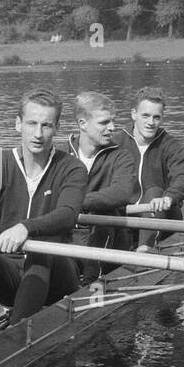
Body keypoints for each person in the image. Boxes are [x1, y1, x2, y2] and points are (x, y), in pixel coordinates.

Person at [0, 88, 89, 320]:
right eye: (31, 124)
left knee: (40, 251)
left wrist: (25, 227)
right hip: (11, 274)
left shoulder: (72, 168)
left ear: (57, 128)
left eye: (46, 125)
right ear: (18, 124)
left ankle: (15, 332)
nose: (38, 133)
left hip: (58, 273)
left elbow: (67, 214)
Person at [113, 86, 184, 247]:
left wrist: (168, 197)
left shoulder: (173, 146)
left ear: (162, 118)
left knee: (154, 192)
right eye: (145, 116)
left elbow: (183, 180)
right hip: (124, 218)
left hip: (162, 216)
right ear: (133, 114)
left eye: (156, 117)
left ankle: (145, 249)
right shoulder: (115, 143)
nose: (151, 122)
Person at [66, 91, 137, 276]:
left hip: (109, 240)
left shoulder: (121, 156)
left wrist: (75, 202)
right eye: (104, 122)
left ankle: (92, 279)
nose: (112, 128)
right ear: (83, 124)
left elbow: (122, 193)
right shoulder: (60, 156)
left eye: (112, 121)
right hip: (69, 236)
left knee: (105, 210)